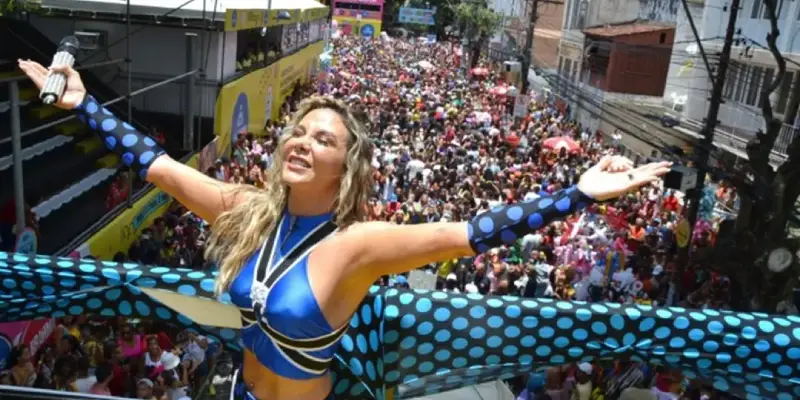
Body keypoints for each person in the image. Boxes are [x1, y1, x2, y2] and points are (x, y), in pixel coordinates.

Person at [18, 59, 671, 400]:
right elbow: (157, 167)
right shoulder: (248, 210)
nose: (302, 141)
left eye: (322, 138)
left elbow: (473, 232)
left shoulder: (357, 245)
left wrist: (576, 194)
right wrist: (83, 105)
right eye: (298, 131)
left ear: (347, 166)